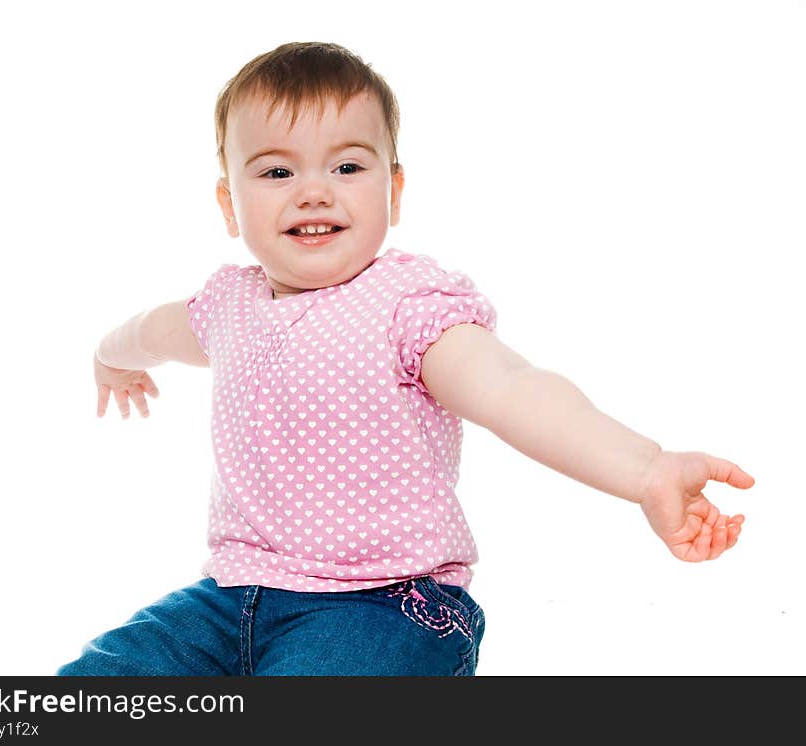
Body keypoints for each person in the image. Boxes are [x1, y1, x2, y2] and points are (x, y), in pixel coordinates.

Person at [57, 41, 755, 676]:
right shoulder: (227, 307)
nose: (314, 189)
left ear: (392, 190)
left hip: (383, 607)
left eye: (347, 165)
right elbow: (152, 329)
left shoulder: (405, 304)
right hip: (228, 599)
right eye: (276, 169)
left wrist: (646, 468)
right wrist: (107, 355)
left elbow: (512, 388)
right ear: (229, 205)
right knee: (89, 686)